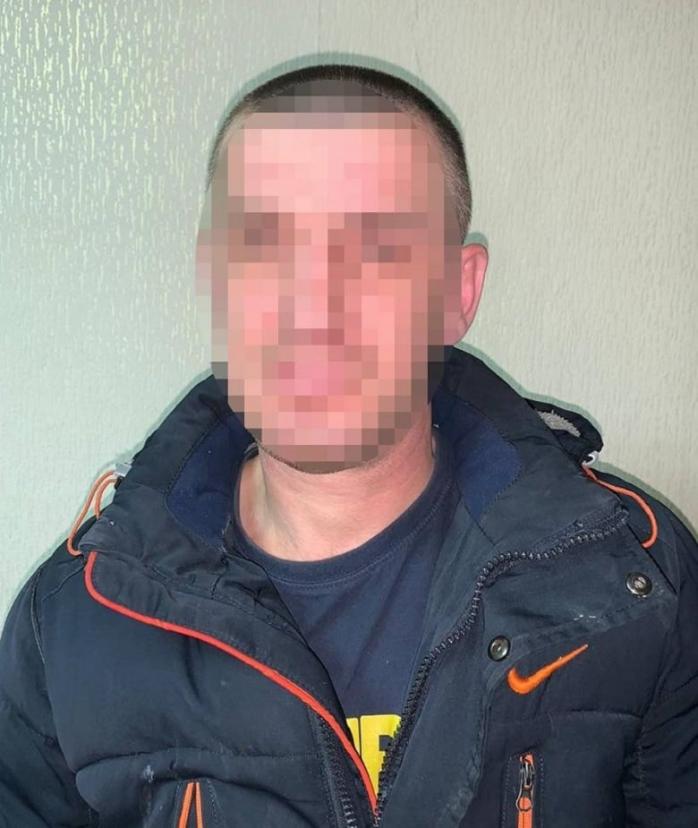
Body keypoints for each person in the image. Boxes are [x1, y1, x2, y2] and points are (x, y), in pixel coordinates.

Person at [1, 63, 696, 828]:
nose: (313, 306)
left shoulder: (636, 578)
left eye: (375, 246)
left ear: (456, 293)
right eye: (263, 242)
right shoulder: (75, 618)